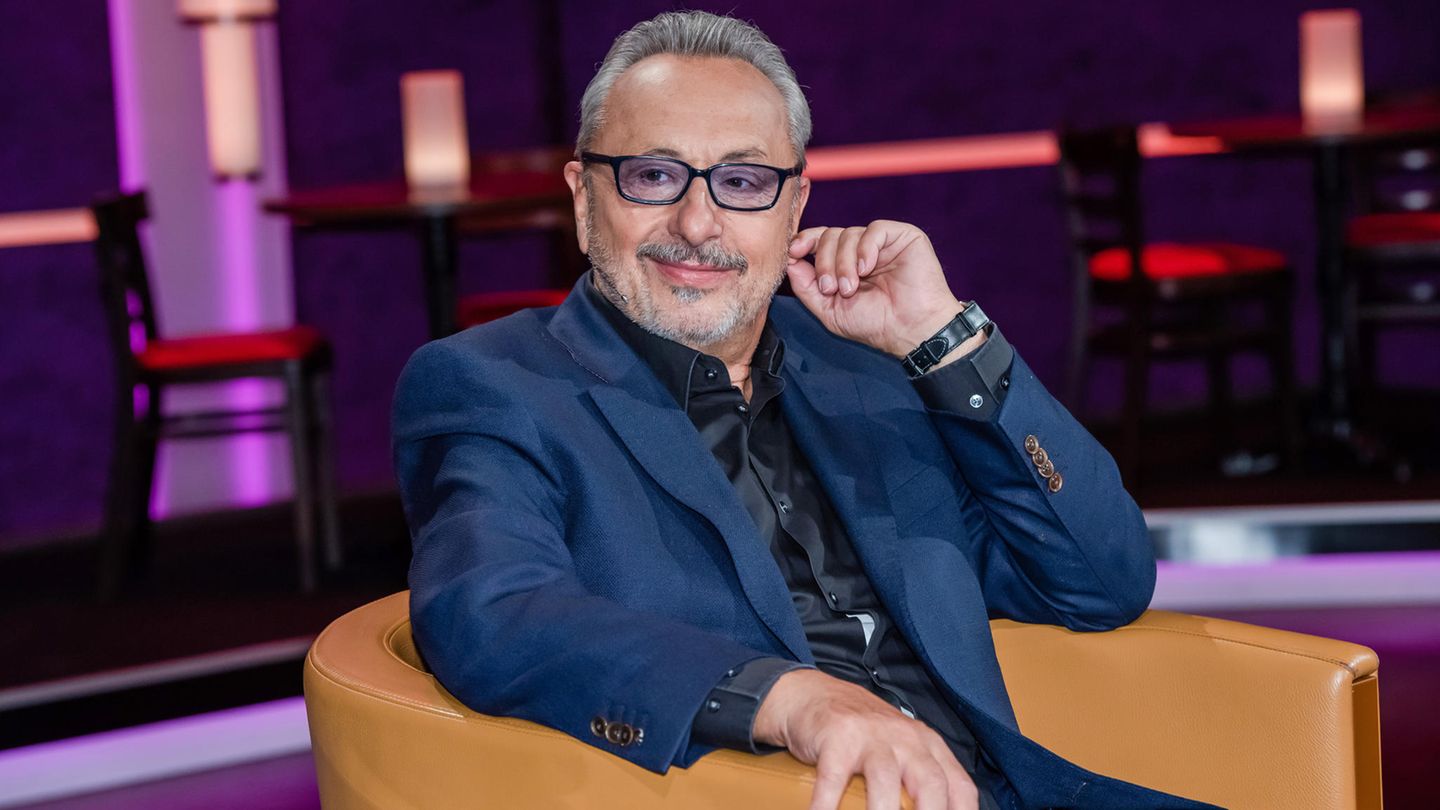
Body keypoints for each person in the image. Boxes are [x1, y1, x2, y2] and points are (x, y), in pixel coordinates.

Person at [394, 11, 1216, 810]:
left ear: (793, 208)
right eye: (653, 175)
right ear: (583, 198)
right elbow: (492, 612)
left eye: (743, 182)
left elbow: (1101, 583)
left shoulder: (869, 363)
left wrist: (943, 341)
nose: (697, 223)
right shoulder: (496, 383)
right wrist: (788, 699)